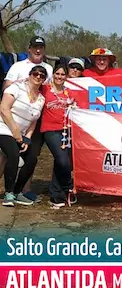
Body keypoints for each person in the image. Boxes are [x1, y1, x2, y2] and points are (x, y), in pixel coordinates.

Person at [1, 66, 46, 207]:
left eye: (42, 75)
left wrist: (27, 138)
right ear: (30, 75)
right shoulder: (16, 88)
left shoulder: (41, 99)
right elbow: (3, 108)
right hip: (4, 128)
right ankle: (8, 193)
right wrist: (15, 132)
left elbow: (33, 121)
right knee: (13, 155)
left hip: (21, 134)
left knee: (31, 158)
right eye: (35, 74)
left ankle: (17, 191)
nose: (38, 77)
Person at [40, 65, 76, 208]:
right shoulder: (45, 89)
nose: (60, 77)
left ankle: (55, 194)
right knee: (63, 161)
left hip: (67, 131)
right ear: (53, 74)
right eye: (57, 73)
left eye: (63, 74)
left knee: (62, 162)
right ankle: (69, 187)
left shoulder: (69, 92)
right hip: (50, 130)